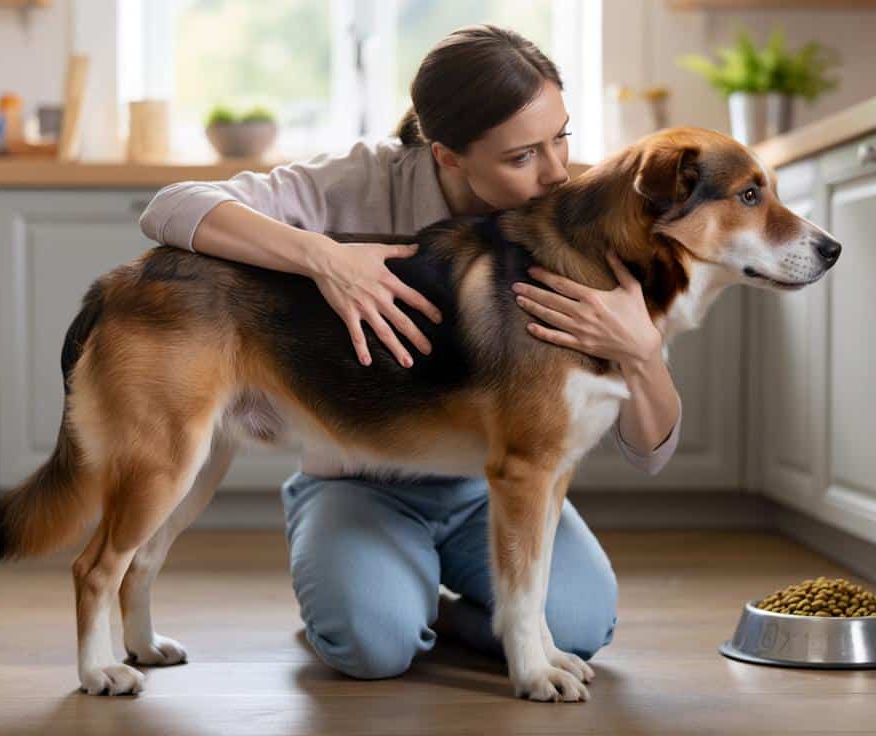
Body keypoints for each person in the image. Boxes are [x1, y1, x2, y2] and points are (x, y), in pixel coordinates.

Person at [138, 24, 683, 680]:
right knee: (372, 646)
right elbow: (170, 208)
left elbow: (649, 453)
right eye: (520, 157)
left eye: (561, 136)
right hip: (360, 483)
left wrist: (642, 353)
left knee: (583, 627)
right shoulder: (361, 183)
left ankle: (443, 613)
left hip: (497, 489)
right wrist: (324, 257)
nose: (557, 171)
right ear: (447, 154)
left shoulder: (578, 213)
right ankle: (383, 597)